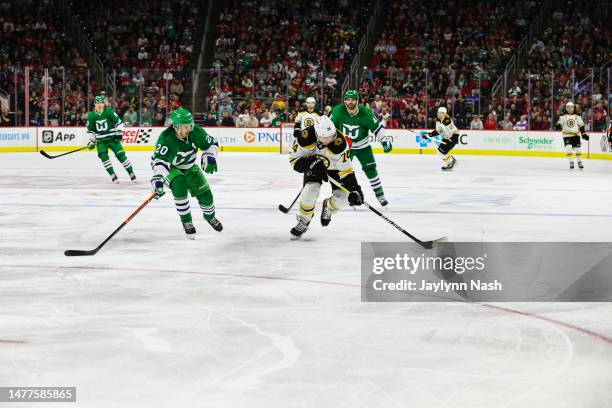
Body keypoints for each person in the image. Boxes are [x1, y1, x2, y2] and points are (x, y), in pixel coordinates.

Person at [150, 108, 223, 238]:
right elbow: (161, 162)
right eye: (185, 127)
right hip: (170, 167)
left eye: (190, 125)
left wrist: (210, 154)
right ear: (176, 126)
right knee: (179, 183)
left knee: (206, 194)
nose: (188, 129)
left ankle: (210, 217)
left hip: (189, 166)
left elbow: (213, 143)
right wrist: (158, 179)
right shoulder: (166, 138)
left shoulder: (196, 132)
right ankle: (187, 221)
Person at [288, 115, 364, 239]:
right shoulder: (305, 137)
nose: (329, 140)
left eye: (331, 136)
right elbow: (294, 162)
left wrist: (355, 189)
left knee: (344, 198)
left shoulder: (340, 143)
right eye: (325, 138)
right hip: (314, 165)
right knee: (309, 192)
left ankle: (328, 207)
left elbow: (346, 170)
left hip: (334, 167)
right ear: (317, 134)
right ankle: (303, 221)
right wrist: (309, 164)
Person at [330, 90, 391, 207]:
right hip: (345, 147)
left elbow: (377, 129)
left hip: (363, 147)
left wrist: (385, 141)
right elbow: (330, 127)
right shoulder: (338, 111)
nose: (350, 101)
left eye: (353, 99)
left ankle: (380, 195)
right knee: (343, 172)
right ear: (344, 100)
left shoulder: (367, 113)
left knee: (371, 170)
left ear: (357, 101)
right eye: (348, 99)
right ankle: (349, 195)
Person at [86, 95, 136, 183]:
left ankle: (131, 172)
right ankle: (112, 174)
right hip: (101, 141)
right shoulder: (91, 116)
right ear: (94, 104)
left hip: (113, 139)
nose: (100, 105)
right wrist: (91, 141)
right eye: (97, 103)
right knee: (104, 157)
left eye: (101, 102)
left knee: (121, 155)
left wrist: (119, 134)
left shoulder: (109, 111)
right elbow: (91, 131)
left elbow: (119, 123)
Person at [419, 106, 460, 171]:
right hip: (447, 137)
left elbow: (453, 131)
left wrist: (451, 139)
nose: (438, 114)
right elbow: (439, 131)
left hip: (453, 137)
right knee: (439, 152)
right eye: (438, 112)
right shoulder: (438, 120)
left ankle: (452, 162)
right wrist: (429, 135)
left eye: (440, 113)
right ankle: (450, 162)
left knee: (442, 152)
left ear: (444, 113)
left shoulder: (447, 121)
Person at [555, 101, 589, 169]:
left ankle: (579, 162)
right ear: (566, 108)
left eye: (571, 107)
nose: (570, 108)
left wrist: (583, 133)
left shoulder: (577, 115)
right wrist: (558, 125)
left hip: (576, 135)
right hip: (566, 135)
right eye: (568, 107)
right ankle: (571, 162)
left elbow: (581, 125)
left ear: (573, 108)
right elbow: (559, 124)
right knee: (569, 148)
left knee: (578, 149)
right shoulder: (563, 116)